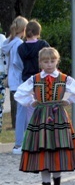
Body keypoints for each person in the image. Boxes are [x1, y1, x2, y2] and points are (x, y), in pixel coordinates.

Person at [16, 47, 75, 185]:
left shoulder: (64, 79)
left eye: (52, 61)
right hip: (40, 119)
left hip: (58, 116)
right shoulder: (35, 79)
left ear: (57, 61)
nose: (49, 64)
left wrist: (68, 100)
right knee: (43, 156)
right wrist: (31, 101)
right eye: (46, 61)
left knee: (56, 154)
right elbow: (19, 93)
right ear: (40, 63)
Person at [15, 20, 50, 154]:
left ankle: (31, 139)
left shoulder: (21, 48)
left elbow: (19, 64)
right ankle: (43, 139)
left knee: (30, 111)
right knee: (43, 109)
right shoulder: (43, 45)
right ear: (38, 32)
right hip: (41, 79)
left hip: (27, 80)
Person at [1, 16, 27, 134]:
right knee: (23, 112)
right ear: (24, 29)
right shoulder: (19, 44)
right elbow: (18, 63)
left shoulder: (8, 42)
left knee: (20, 110)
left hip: (12, 79)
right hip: (18, 79)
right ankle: (21, 139)